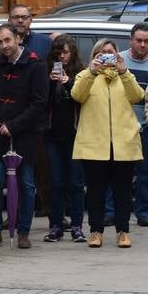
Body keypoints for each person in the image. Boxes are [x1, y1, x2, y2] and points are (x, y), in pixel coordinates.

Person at [0, 23, 47, 249]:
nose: (4, 46)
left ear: (18, 39)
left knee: (26, 183)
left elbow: (39, 103)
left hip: (25, 134)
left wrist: (14, 125)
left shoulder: (35, 66)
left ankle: (24, 231)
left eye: (7, 40)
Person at [72, 40, 144, 249]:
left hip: (123, 143)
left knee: (123, 191)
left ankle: (123, 231)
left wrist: (124, 71)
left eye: (110, 53)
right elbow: (77, 95)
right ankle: (96, 231)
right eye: (102, 53)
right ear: (95, 56)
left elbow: (137, 96)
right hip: (94, 144)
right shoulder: (85, 76)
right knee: (95, 191)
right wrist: (92, 72)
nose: (106, 57)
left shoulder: (125, 76)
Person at [42, 35, 85, 244]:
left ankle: (77, 225)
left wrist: (68, 83)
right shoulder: (46, 71)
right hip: (52, 135)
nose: (62, 56)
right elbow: (41, 102)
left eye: (65, 52)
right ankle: (56, 225)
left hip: (75, 134)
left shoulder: (80, 73)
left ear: (72, 53)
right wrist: (50, 84)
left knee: (76, 184)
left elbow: (82, 98)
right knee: (55, 184)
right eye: (58, 52)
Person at [123, 23, 148, 227]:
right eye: (139, 40)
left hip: (146, 126)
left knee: (146, 172)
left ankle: (144, 212)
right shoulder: (119, 60)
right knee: (120, 172)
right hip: (122, 125)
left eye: (146, 41)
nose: (142, 45)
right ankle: (116, 211)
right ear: (131, 40)